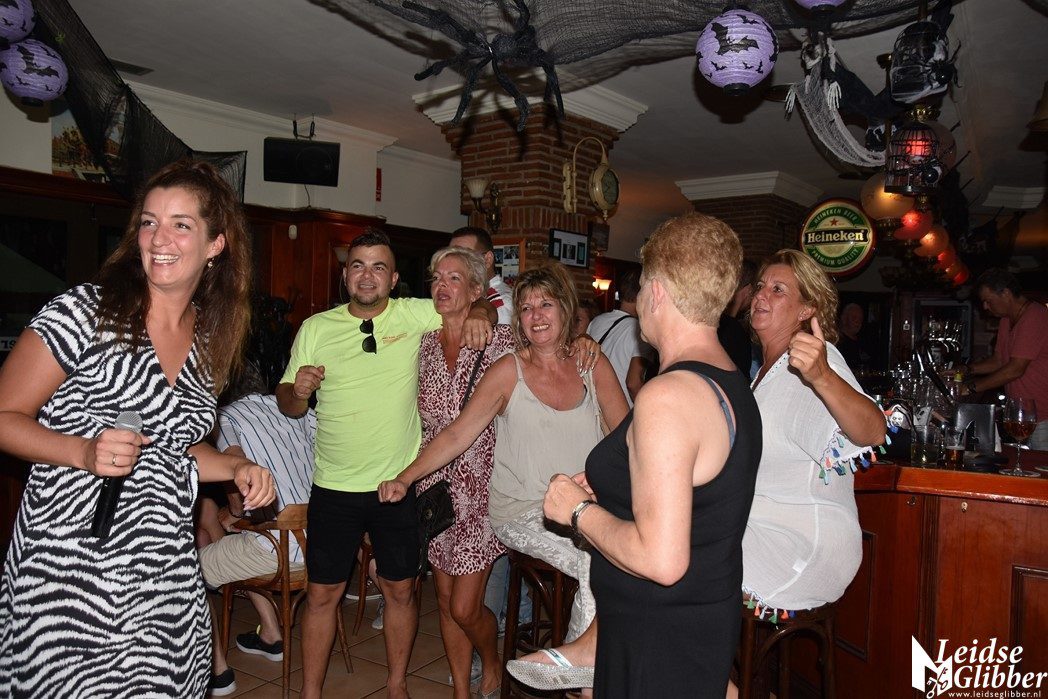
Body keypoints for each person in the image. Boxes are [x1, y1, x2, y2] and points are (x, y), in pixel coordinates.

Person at [0, 159, 275, 696]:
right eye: (149, 222)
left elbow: (176, 450)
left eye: (180, 224)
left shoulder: (210, 340)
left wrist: (237, 466)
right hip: (70, 571)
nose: (159, 238)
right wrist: (83, 452)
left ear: (216, 244)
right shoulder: (85, 313)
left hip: (165, 573)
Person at [378, 262, 629, 696]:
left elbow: (627, 438)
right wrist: (405, 478)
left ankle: (597, 664)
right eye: (526, 307)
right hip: (523, 512)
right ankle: (580, 671)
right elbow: (458, 433)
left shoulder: (592, 363)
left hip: (583, 507)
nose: (536, 315)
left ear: (566, 309)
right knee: (599, 559)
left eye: (546, 304)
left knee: (627, 554)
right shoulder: (508, 369)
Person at [541, 212, 763, 697]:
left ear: (657, 292)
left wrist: (576, 511)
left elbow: (662, 560)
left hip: (656, 635)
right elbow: (701, 498)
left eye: (641, 286)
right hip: (690, 621)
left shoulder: (668, 396)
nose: (640, 298)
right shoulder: (731, 380)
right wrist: (616, 481)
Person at [276, 228, 496, 699]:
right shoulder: (316, 328)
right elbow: (288, 403)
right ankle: (310, 693)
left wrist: (482, 310)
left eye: (379, 267)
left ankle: (397, 684)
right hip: (333, 485)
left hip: (397, 485)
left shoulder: (414, 313)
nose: (367, 275)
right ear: (345, 275)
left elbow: (469, 301)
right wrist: (298, 392)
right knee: (322, 594)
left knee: (400, 590)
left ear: (394, 279)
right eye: (358, 265)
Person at [738, 250, 885, 693]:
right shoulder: (764, 371)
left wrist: (822, 376)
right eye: (760, 286)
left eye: (778, 289)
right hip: (759, 527)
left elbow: (872, 432)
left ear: (807, 310)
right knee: (669, 546)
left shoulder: (818, 361)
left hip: (805, 544)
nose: (761, 295)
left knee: (679, 559)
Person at [412, 246, 516, 698]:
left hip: (485, 488)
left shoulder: (502, 342)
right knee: (442, 599)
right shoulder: (422, 346)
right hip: (435, 488)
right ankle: (460, 689)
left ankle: (491, 661)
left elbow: (553, 355)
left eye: (454, 278)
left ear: (476, 290)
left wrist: (584, 344)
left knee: (464, 606)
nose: (442, 286)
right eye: (437, 277)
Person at [198, 375, 317, 696]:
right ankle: (271, 636)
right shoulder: (299, 411)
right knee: (241, 543)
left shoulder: (226, 417)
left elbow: (239, 476)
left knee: (187, 572)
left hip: (279, 548)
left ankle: (217, 672)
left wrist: (234, 511)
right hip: (323, 545)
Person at [962, 268, 1048, 450]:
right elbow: (999, 361)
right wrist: (965, 370)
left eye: (988, 300)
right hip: (1021, 413)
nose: (985, 307)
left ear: (1006, 293)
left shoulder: (1035, 317)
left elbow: (1016, 369)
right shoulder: (1006, 320)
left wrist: (971, 387)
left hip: (1043, 416)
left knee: (1039, 466)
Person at [587, 270, 653, 405]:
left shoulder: (597, 320)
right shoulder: (641, 330)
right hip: (621, 407)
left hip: (592, 403)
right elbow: (633, 383)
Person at [449, 226, 514, 324]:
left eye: (464, 256)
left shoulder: (502, 304)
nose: (454, 263)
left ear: (487, 259)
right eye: (450, 256)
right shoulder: (455, 294)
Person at [836, 302, 872, 373]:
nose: (858, 322)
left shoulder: (864, 342)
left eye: (860, 319)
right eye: (854, 318)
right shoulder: (837, 342)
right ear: (844, 318)